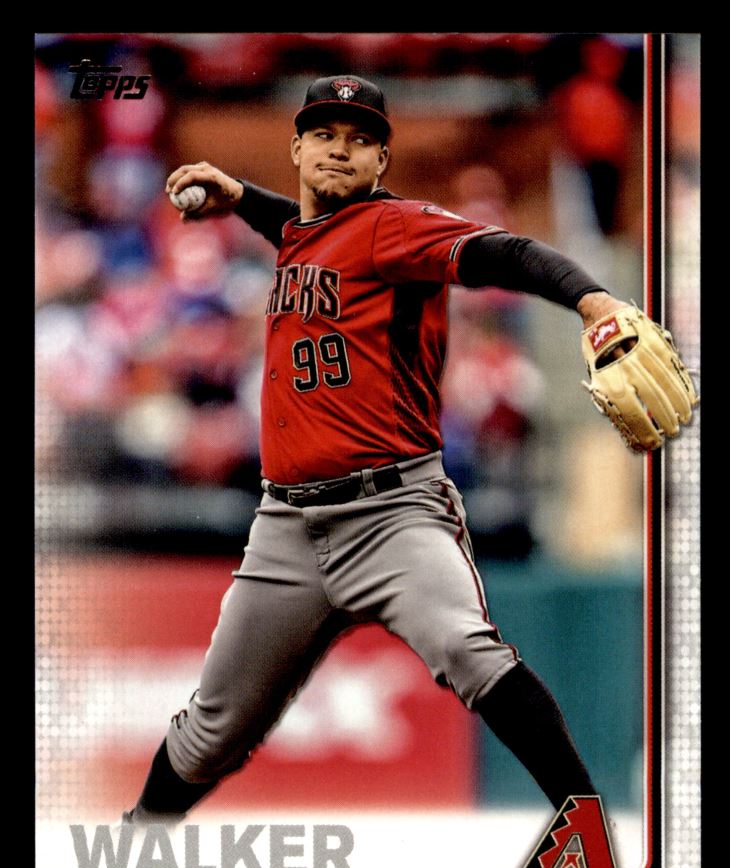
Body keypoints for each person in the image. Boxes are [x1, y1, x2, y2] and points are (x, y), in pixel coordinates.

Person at [121, 75, 649, 825]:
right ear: (297, 149)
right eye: (325, 134)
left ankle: (585, 832)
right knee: (209, 731)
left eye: (360, 139)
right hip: (285, 528)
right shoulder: (303, 233)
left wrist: (591, 298)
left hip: (393, 513)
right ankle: (135, 847)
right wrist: (241, 196)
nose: (340, 149)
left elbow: (505, 251)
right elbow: (301, 230)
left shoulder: (396, 227)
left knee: (468, 650)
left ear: (382, 161)